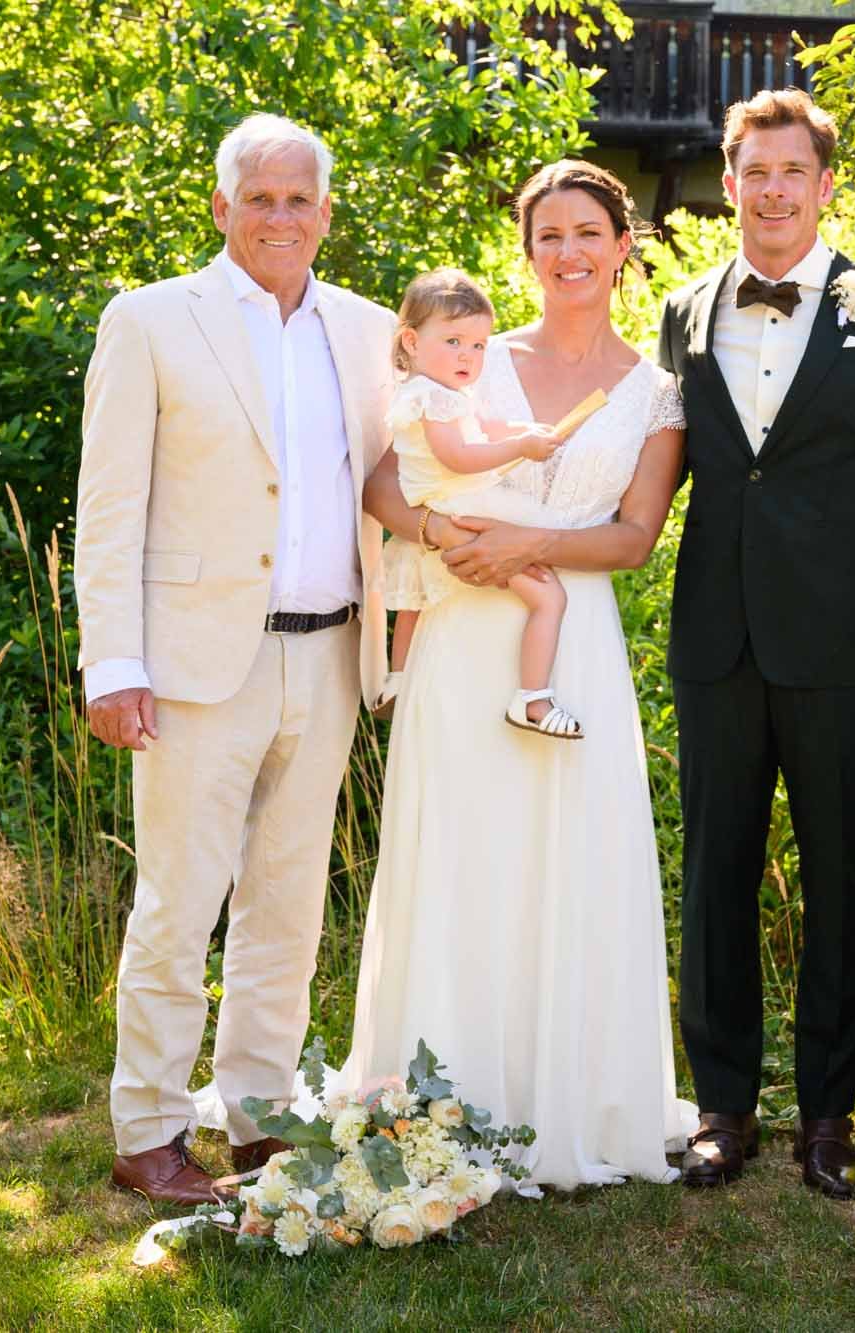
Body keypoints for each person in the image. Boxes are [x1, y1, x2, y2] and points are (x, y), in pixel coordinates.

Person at [348, 159, 695, 1190]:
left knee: (567, 855)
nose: (568, 252)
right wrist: (446, 532)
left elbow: (634, 537)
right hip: (459, 631)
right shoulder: (468, 359)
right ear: (526, 250)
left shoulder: (655, 392)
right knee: (461, 855)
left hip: (567, 636)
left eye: (588, 232)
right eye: (547, 235)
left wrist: (522, 549)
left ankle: (569, 1097)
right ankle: (444, 1093)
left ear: (623, 248)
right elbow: (381, 478)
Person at [74, 113, 393, 1206]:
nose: (279, 216)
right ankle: (148, 1132)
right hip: (192, 668)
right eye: (258, 197)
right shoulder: (153, 320)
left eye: (298, 198)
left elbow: (403, 489)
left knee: (288, 904)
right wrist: (111, 662)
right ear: (220, 209)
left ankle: (258, 1117)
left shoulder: (365, 330)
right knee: (176, 903)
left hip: (332, 654)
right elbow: (107, 505)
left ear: (325, 214)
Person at [655, 88, 855, 1200]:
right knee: (714, 877)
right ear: (725, 181)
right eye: (752, 170)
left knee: (840, 882)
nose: (772, 190)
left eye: (793, 172)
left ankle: (829, 1116)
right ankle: (720, 1109)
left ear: (825, 186)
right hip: (715, 642)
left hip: (843, 649)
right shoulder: (683, 311)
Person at [376, 268, 583, 738]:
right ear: (410, 340)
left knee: (416, 604)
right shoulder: (435, 398)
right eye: (453, 342)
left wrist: (525, 433)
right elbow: (460, 455)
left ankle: (399, 679)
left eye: (478, 345)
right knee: (548, 596)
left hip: (438, 508)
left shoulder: (439, 394)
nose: (468, 355)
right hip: (465, 510)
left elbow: (488, 429)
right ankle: (532, 698)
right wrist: (520, 449)